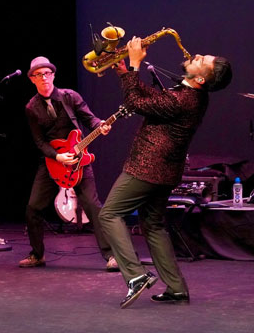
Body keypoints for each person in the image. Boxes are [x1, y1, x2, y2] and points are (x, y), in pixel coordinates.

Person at [99, 37, 232, 309]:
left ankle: (135, 276)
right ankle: (176, 288)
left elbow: (136, 102)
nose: (196, 55)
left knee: (109, 214)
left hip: (148, 167)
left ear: (202, 80)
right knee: (154, 225)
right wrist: (126, 72)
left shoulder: (186, 99)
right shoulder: (190, 96)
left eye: (202, 61)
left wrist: (135, 64)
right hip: (164, 170)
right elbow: (156, 100)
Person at [18, 56, 118, 271]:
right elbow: (39, 141)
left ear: (53, 75)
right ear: (32, 79)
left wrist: (100, 125)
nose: (43, 77)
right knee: (32, 208)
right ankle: (37, 254)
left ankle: (111, 256)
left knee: (93, 206)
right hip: (53, 161)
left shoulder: (69, 96)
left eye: (47, 73)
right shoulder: (31, 108)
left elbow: (89, 118)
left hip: (79, 158)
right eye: (38, 75)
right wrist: (57, 156)